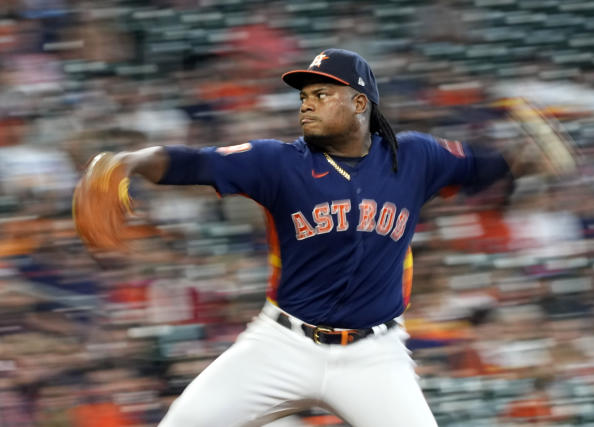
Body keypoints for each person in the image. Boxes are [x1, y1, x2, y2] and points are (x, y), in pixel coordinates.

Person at [113, 49, 536, 427]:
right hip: (281, 345)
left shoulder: (415, 157)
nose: (306, 105)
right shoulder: (278, 162)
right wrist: (127, 161)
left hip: (374, 356)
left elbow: (485, 167)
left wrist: (524, 158)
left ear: (359, 103)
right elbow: (192, 163)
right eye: (304, 97)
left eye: (321, 95)